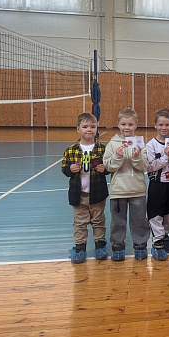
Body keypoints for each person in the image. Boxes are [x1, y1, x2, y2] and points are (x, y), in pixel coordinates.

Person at [61, 113, 109, 263]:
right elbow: (64, 169)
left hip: (97, 194)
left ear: (97, 129)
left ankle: (100, 246)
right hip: (78, 195)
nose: (89, 129)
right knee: (80, 223)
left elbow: (109, 167)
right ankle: (80, 248)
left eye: (93, 126)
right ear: (78, 129)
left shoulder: (103, 149)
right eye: (85, 126)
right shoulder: (71, 150)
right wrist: (70, 169)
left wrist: (105, 169)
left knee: (98, 221)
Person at [103, 108, 150, 261]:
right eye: (123, 124)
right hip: (118, 191)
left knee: (140, 221)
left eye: (130, 124)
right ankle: (117, 247)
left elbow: (144, 166)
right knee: (118, 222)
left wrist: (136, 157)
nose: (127, 127)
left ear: (136, 125)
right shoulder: (112, 144)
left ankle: (140, 247)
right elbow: (108, 166)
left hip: (137, 190)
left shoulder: (140, 144)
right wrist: (117, 156)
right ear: (118, 125)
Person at [146, 108, 169, 261]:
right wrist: (165, 157)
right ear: (155, 125)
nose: (164, 128)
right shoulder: (151, 145)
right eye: (161, 125)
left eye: (167, 125)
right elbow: (150, 167)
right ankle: (157, 242)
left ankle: (165, 237)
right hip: (158, 185)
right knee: (156, 213)